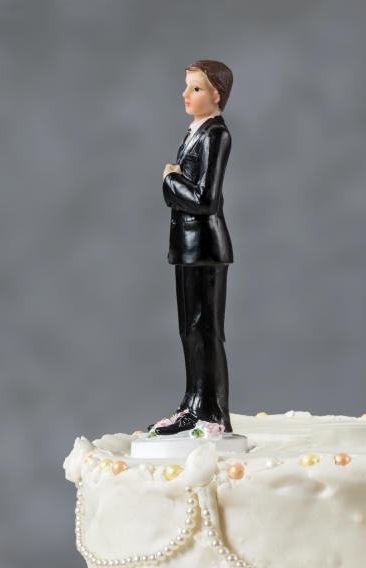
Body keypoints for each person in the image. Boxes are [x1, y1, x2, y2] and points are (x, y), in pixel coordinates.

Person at [152, 60, 234, 435]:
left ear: (216, 94)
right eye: (187, 87)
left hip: (204, 247)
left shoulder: (216, 134)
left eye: (196, 88)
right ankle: (193, 402)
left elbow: (206, 200)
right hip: (187, 247)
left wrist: (170, 181)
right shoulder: (194, 131)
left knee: (205, 329)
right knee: (190, 329)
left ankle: (212, 412)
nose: (186, 95)